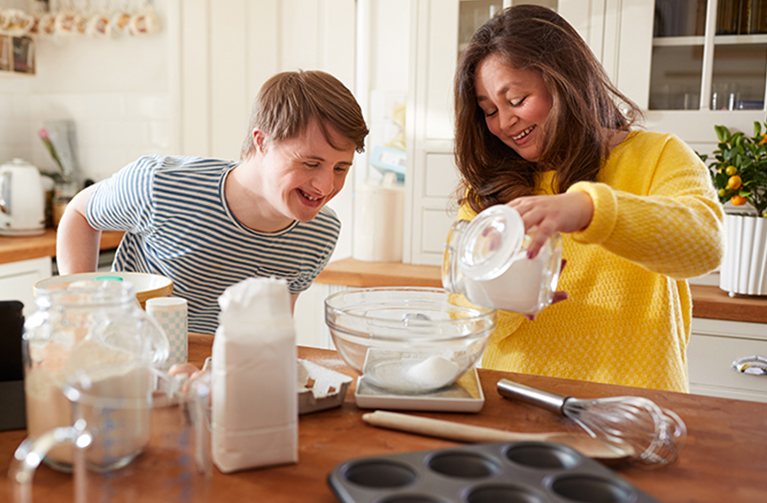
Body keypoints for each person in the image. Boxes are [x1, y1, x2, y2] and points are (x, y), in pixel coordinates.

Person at [452, 5, 724, 392]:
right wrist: (505, 293)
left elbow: (705, 246)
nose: (503, 123)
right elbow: (464, 317)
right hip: (518, 403)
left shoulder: (656, 155)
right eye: (489, 111)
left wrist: (587, 210)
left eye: (515, 100)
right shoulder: (490, 188)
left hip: (635, 407)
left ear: (564, 79)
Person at [57, 70, 369, 335]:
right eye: (310, 163)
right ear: (262, 142)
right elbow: (80, 213)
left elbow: (274, 327)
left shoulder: (319, 232)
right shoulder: (160, 185)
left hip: (225, 378)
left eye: (340, 168)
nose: (326, 186)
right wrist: (81, 315)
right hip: (133, 361)